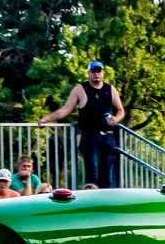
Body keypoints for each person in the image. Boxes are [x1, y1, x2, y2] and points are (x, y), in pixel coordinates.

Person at [41, 60, 126, 188]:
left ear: (102, 73)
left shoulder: (110, 89)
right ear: (88, 73)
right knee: (92, 174)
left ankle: (104, 205)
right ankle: (91, 204)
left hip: (108, 137)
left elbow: (120, 110)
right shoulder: (80, 89)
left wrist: (116, 118)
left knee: (107, 177)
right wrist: (46, 119)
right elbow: (65, 110)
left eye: (99, 71)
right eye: (93, 71)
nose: (96, 74)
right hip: (90, 136)